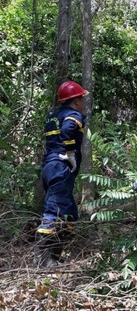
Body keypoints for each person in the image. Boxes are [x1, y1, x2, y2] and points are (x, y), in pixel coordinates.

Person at [34, 80, 89, 268]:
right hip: (60, 167)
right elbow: (68, 130)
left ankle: (55, 256)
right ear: (75, 100)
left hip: (49, 167)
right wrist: (70, 153)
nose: (83, 103)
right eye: (81, 98)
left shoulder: (53, 116)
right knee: (53, 211)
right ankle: (43, 259)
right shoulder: (74, 115)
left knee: (69, 213)